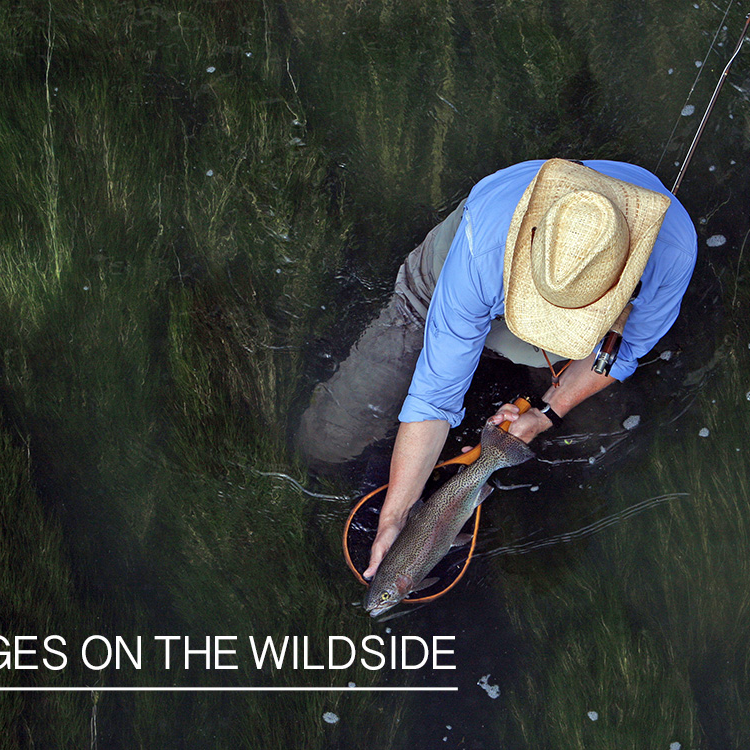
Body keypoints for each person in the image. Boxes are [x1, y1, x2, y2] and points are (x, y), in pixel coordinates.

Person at [297, 158, 697, 578]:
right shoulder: (485, 242)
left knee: (596, 447)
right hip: (438, 301)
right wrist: (396, 515)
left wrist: (547, 414)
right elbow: (435, 393)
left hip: (561, 354)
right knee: (324, 443)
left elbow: (624, 349)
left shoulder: (671, 252)